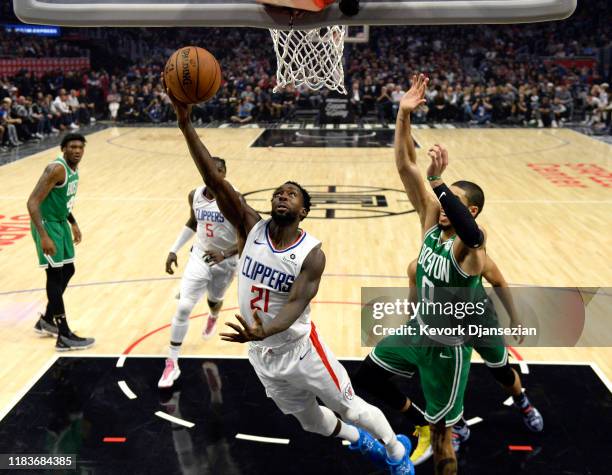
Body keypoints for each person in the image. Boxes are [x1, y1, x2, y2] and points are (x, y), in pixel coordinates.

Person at [168, 89, 415, 475]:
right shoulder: (249, 226)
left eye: (293, 195)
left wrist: (263, 329)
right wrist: (186, 124)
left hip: (302, 349)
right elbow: (214, 180)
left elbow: (296, 305)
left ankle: (397, 454)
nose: (284, 195)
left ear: (304, 210)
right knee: (309, 422)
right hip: (262, 355)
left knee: (350, 405)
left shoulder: (311, 253)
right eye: (280, 192)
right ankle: (359, 441)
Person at [355, 73, 488, 475]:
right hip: (418, 331)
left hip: (448, 349)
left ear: (472, 210)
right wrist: (402, 115)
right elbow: (404, 165)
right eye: (442, 200)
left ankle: (443, 431)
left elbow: (470, 231)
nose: (442, 205)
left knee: (445, 443)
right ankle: (418, 420)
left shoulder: (471, 251)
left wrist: (439, 181)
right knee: (368, 376)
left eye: (453, 202)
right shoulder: (432, 221)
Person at [405, 255, 543, 453]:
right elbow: (414, 300)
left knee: (502, 372)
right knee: (446, 383)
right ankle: (458, 427)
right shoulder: (417, 267)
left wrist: (515, 317)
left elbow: (499, 282)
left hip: (481, 323)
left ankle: (523, 403)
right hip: (446, 332)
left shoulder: (474, 260)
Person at [158, 157, 240, 389]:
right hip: (200, 255)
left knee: (214, 300)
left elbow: (248, 234)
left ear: (225, 173)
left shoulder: (234, 198)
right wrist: (174, 250)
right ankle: (172, 362)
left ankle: (213, 316)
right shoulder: (194, 194)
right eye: (210, 171)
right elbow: (194, 222)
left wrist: (225, 254)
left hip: (227, 261)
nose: (215, 175)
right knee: (184, 307)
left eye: (220, 171)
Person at [27, 133, 95, 351]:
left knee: (68, 270)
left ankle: (47, 320)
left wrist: (73, 222)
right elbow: (32, 203)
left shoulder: (73, 169)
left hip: (60, 222)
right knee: (54, 275)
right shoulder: (56, 169)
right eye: (72, 146)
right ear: (63, 148)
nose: (76, 150)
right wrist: (43, 235)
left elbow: (63, 200)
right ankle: (63, 333)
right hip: (47, 225)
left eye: (80, 147)